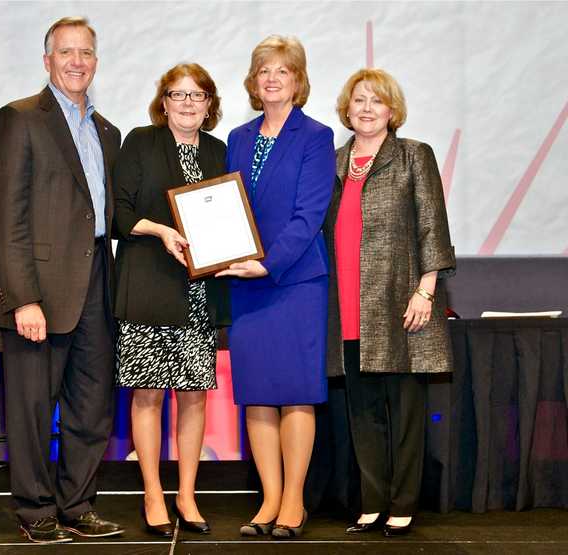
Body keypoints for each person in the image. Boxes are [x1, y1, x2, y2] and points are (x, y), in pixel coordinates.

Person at [0, 17, 123, 544]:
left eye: (86, 52)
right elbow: (4, 216)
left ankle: (77, 505)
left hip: (96, 286)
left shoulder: (105, 131)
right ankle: (36, 510)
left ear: (96, 61)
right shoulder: (19, 119)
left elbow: (104, 215)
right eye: (66, 52)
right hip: (40, 293)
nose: (77, 61)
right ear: (47, 61)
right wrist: (23, 298)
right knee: (32, 407)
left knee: (91, 406)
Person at [324, 68, 455, 537]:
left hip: (401, 304)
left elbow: (432, 228)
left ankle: (403, 502)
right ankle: (373, 501)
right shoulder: (334, 162)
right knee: (362, 412)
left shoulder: (412, 156)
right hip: (345, 307)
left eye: (376, 101)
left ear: (392, 110)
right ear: (347, 109)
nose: (366, 108)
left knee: (404, 411)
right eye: (358, 100)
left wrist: (426, 289)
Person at [216, 35, 335, 538]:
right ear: (253, 79)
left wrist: (266, 264)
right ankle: (267, 501)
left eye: (282, 71)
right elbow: (225, 210)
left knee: (295, 393)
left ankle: (293, 502)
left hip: (294, 280)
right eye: (264, 69)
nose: (272, 78)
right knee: (258, 395)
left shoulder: (316, 135)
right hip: (244, 282)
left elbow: (309, 215)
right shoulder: (238, 138)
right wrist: (222, 253)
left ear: (298, 80)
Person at [112, 63, 230, 536]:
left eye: (196, 95)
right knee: (148, 395)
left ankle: (186, 494)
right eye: (177, 94)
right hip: (147, 285)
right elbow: (119, 213)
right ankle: (153, 494)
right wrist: (161, 230)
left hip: (198, 291)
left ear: (209, 104)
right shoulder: (141, 141)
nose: (186, 103)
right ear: (163, 102)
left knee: (194, 397)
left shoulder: (219, 151)